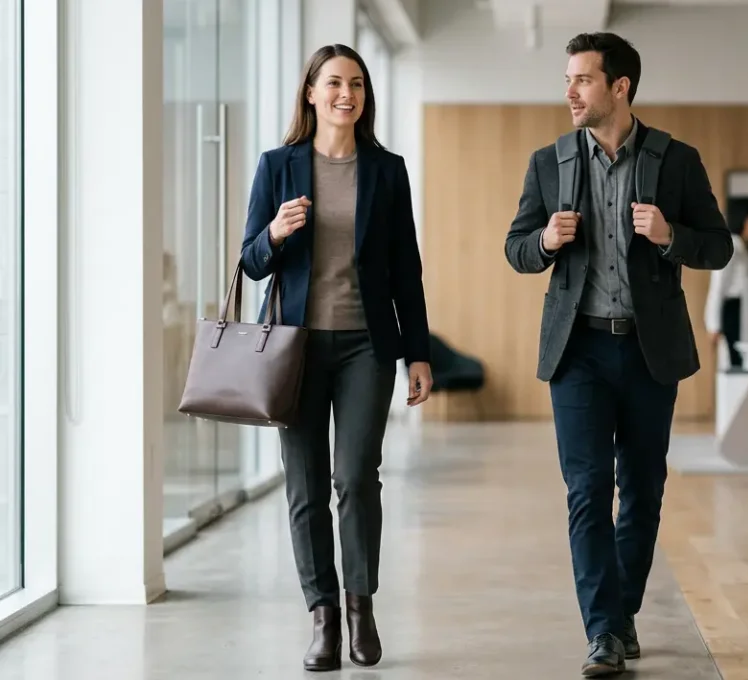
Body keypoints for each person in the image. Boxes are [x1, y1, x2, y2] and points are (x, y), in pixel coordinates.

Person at [503, 32, 732, 676]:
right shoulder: (549, 163)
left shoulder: (675, 160)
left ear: (620, 87)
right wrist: (544, 241)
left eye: (583, 79)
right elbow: (515, 248)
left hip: (648, 352)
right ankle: (602, 629)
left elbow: (718, 246)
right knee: (586, 489)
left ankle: (621, 610)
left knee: (642, 489)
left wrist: (670, 236)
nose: (570, 91)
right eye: (567, 79)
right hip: (576, 353)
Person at [239, 44, 432, 673]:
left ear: (364, 96)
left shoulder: (387, 169)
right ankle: (321, 617)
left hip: (365, 346)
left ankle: (360, 609)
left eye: (356, 83)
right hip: (293, 346)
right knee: (304, 486)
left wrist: (418, 353)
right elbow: (250, 261)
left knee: (354, 478)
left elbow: (407, 268)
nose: (346, 93)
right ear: (311, 94)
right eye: (334, 83)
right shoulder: (278, 165)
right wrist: (275, 233)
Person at [703, 202, 748, 368]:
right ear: (743, 222)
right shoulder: (732, 247)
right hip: (732, 309)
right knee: (734, 360)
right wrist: (713, 325)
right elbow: (718, 287)